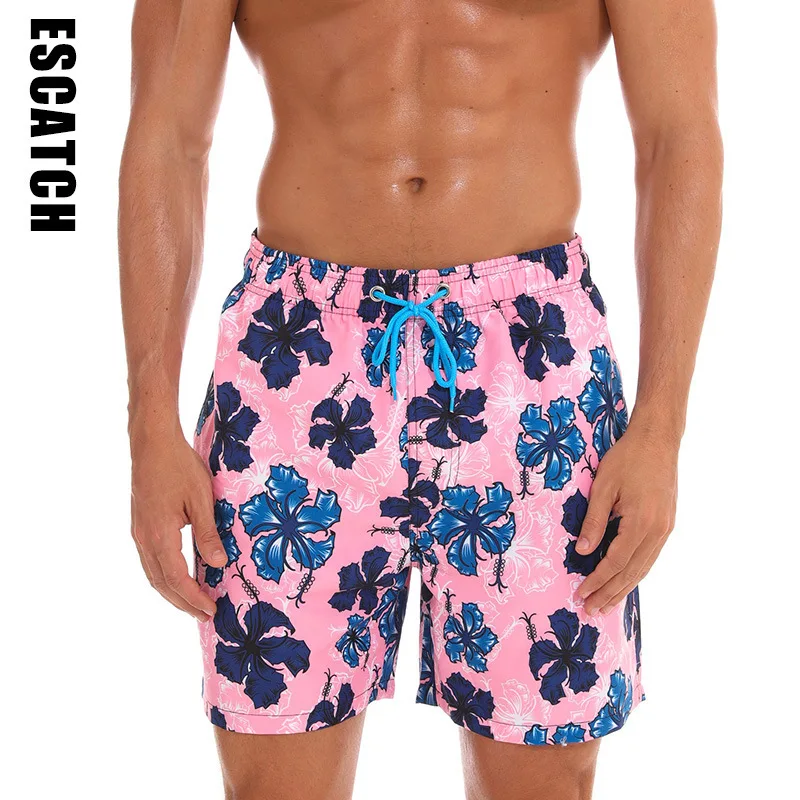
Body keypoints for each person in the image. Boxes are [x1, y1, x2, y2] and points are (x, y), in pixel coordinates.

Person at [118, 1, 722, 798]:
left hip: (531, 367)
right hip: (295, 355)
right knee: (272, 782)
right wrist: (148, 426)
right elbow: (167, 137)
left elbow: (679, 137)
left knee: (544, 780)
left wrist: (662, 428)